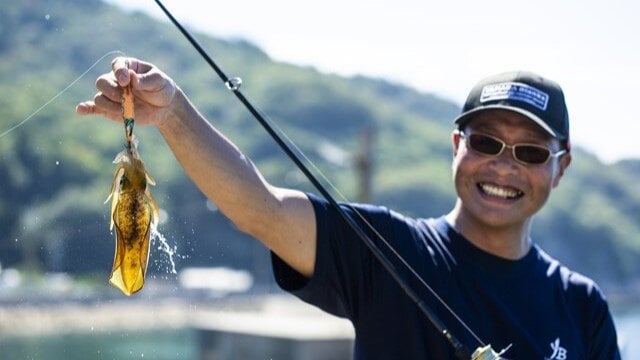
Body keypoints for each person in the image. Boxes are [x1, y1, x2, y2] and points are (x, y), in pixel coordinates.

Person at [77, 57, 621, 359]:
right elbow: (259, 207)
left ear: (561, 166)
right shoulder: (386, 251)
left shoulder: (583, 307)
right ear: (457, 146)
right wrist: (172, 112)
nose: (503, 168)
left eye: (529, 152)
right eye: (485, 143)